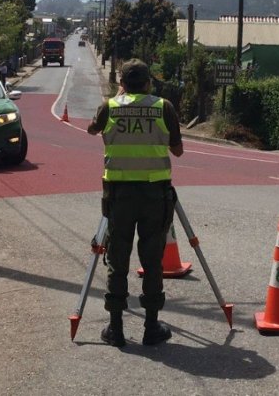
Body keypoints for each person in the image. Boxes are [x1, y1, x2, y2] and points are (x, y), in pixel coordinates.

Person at [86, 59, 184, 347]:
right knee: (152, 261)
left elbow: (92, 129)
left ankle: (116, 329)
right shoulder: (164, 107)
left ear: (122, 83)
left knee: (118, 260)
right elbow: (178, 151)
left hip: (119, 195)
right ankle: (151, 327)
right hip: (155, 194)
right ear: (149, 83)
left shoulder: (110, 107)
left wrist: (118, 102)